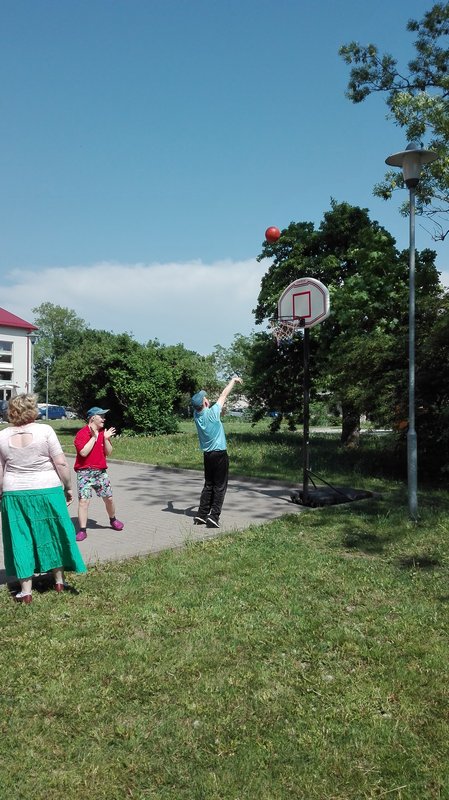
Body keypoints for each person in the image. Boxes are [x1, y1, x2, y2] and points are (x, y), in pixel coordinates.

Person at [0, 394, 86, 604]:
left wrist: (1, 492)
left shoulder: (2, 435)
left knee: (20, 538)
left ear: (12, 412)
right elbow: (61, 463)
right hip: (48, 489)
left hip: (14, 493)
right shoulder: (45, 430)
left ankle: (26, 591)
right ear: (33, 409)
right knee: (53, 532)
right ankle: (59, 581)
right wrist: (68, 487)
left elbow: (0, 470)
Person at [191, 375, 243, 528]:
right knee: (220, 486)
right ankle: (213, 517)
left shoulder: (196, 416)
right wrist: (233, 380)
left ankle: (201, 515)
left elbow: (202, 406)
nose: (206, 398)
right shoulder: (213, 413)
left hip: (207, 455)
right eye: (205, 398)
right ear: (205, 403)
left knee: (209, 485)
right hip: (219, 454)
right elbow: (224, 394)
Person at [73, 406, 124, 542]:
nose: (103, 419)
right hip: (84, 473)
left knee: (109, 498)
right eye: (101, 416)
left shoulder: (103, 433)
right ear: (92, 418)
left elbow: (109, 452)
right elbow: (83, 452)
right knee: (84, 501)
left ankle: (113, 520)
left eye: (104, 416)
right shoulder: (82, 434)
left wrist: (106, 439)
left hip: (100, 472)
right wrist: (94, 438)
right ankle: (82, 530)